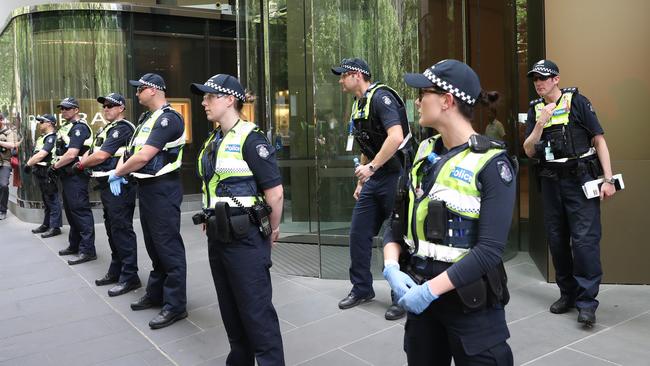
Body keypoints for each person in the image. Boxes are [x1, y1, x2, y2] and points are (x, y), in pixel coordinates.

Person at [383, 59, 515, 365]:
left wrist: (430, 290)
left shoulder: (493, 164)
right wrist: (391, 267)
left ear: (447, 100)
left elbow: (489, 251)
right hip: (420, 295)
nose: (416, 101)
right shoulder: (422, 151)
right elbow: (397, 220)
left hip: (470, 304)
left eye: (423, 93)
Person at [190, 74, 285, 365]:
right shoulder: (213, 140)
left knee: (256, 314)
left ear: (230, 99)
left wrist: (272, 230)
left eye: (210, 96)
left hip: (245, 238)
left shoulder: (251, 138)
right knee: (231, 312)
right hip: (218, 237)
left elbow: (276, 193)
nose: (204, 102)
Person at [523, 59, 615, 327]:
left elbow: (599, 140)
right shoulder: (535, 109)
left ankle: (587, 303)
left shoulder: (577, 102)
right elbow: (528, 150)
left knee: (585, 241)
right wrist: (540, 124)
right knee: (557, 240)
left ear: (556, 79)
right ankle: (568, 295)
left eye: (544, 77)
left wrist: (607, 179)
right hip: (551, 182)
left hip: (581, 179)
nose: (538, 82)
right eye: (535, 79)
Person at [331, 57, 411, 320]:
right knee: (358, 233)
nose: (340, 80)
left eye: (343, 75)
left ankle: (401, 296)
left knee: (395, 237)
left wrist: (372, 169)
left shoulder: (381, 97)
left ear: (357, 75)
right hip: (375, 177)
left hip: (395, 176)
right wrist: (362, 179)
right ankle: (362, 288)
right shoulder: (358, 104)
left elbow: (396, 137)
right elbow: (368, 146)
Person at [111, 73, 187, 329]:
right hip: (147, 187)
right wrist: (122, 169)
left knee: (167, 245)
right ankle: (157, 293)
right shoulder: (146, 119)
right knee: (154, 244)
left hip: (163, 188)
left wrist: (117, 173)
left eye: (140, 88)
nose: (136, 93)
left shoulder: (169, 118)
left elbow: (144, 156)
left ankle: (175, 305)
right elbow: (130, 151)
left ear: (154, 90)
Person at [75, 93, 140, 297]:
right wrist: (84, 160)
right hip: (107, 186)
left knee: (121, 229)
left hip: (119, 186)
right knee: (113, 229)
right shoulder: (107, 128)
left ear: (121, 108)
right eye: (104, 106)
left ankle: (130, 276)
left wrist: (81, 164)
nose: (106, 109)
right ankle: (117, 269)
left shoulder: (123, 128)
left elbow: (102, 155)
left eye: (111, 105)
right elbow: (94, 150)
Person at [53, 97, 96, 265]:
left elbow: (72, 154)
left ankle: (87, 250)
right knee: (71, 212)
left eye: (67, 108)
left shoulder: (80, 128)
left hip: (76, 175)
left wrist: (54, 167)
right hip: (68, 175)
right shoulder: (67, 127)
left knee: (80, 211)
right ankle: (75, 245)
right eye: (62, 108)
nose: (63, 111)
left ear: (76, 110)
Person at [25, 114, 62, 237]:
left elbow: (42, 154)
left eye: (42, 121)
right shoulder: (43, 137)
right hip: (40, 171)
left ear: (50, 123)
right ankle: (46, 224)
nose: (40, 123)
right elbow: (36, 153)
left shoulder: (51, 137)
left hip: (47, 171)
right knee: (47, 200)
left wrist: (28, 164)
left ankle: (55, 227)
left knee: (52, 199)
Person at [0, 113, 19, 220]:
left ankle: (3, 210)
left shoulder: (9, 132)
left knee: (3, 185)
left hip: (5, 162)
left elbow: (12, 145)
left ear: (1, 120)